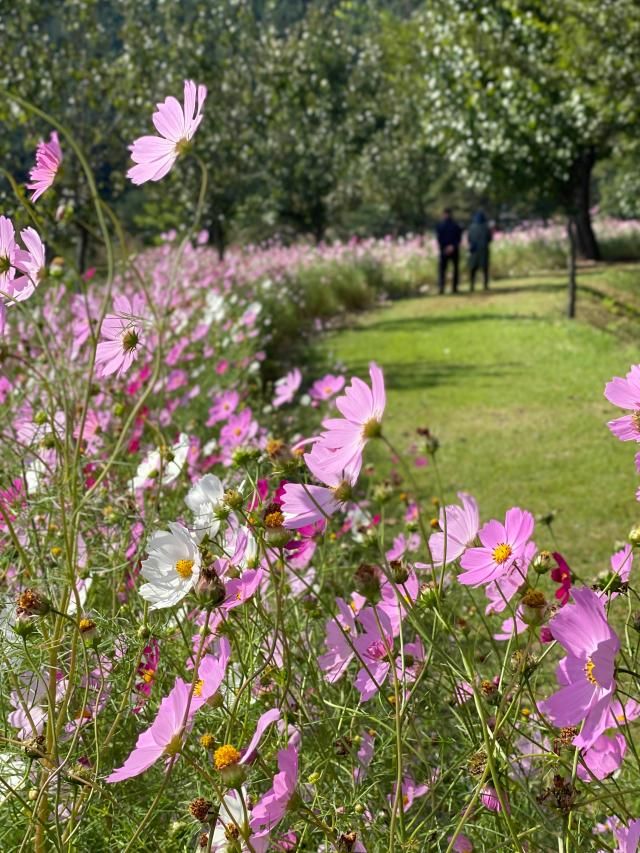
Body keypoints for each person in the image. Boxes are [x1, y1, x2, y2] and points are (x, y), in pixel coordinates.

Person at [435, 209, 463, 294]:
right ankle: (453, 287)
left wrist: (445, 247)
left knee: (443, 270)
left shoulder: (440, 226)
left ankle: (442, 287)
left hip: (444, 250)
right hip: (453, 249)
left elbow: (439, 239)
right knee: (454, 269)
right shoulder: (455, 225)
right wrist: (452, 246)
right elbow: (459, 238)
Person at [467, 210, 492, 291]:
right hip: (484, 250)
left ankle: (472, 285)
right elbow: (490, 239)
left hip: (474, 250)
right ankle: (485, 285)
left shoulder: (471, 227)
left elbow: (469, 239)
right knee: (485, 269)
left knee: (473, 269)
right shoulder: (486, 227)